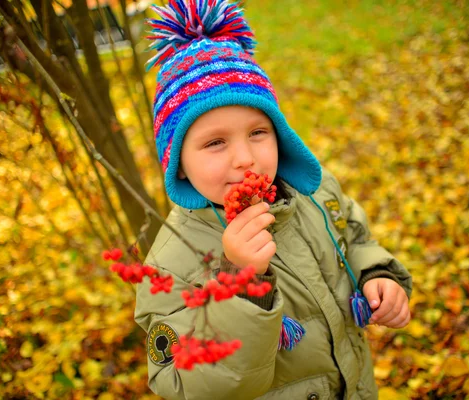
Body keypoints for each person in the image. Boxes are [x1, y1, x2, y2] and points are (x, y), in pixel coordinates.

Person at [134, 1, 412, 399]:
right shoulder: (170, 263)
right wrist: (240, 284)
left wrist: (376, 275)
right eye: (215, 143)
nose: (245, 158)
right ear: (178, 163)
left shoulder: (314, 194)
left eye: (258, 132)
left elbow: (354, 239)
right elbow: (186, 387)